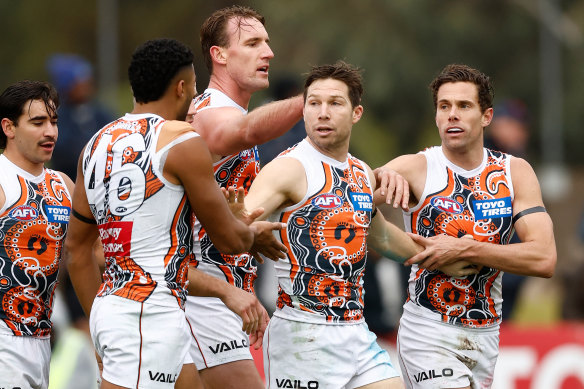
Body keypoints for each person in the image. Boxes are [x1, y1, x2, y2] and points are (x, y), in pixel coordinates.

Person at [63, 38, 285, 389]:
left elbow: (77, 251)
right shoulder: (181, 141)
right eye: (195, 90)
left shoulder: (95, 145)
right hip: (148, 312)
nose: (196, 101)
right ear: (181, 88)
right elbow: (229, 239)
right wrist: (248, 230)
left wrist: (99, 326)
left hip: (113, 309)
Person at [242, 61, 476, 389]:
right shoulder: (288, 169)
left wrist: (439, 256)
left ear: (356, 113)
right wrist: (246, 233)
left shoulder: (361, 173)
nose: (323, 112)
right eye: (314, 103)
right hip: (302, 335)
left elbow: (381, 236)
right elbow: (238, 224)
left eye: (335, 103)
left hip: (355, 331)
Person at [375, 64, 557, 388]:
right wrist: (375, 182)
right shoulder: (414, 167)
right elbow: (344, 199)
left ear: (486, 116)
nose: (452, 115)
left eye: (463, 106)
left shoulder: (515, 172)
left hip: (486, 336)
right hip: (428, 329)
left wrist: (465, 248)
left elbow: (544, 258)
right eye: (444, 107)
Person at [183, 6, 304, 388]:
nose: (268, 53)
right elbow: (242, 132)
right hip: (202, 296)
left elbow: (214, 219)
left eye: (266, 43)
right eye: (252, 43)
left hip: (220, 293)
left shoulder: (227, 109)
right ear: (219, 55)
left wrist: (249, 234)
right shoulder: (208, 111)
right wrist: (314, 98)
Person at [0, 80, 74, 389]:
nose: (51, 132)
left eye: (54, 122)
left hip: (43, 341)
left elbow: (93, 253)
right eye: (38, 122)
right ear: (9, 127)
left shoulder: (64, 186)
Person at [46, 53, 114, 180]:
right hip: (69, 183)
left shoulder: (100, 111)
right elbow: (64, 152)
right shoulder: (56, 117)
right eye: (80, 81)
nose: (87, 85)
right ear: (66, 85)